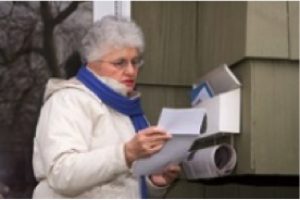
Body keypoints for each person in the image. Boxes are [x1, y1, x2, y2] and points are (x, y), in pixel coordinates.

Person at [32, 15, 181, 199]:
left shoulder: (128, 109)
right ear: (92, 63)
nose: (131, 71)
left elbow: (124, 187)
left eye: (135, 61)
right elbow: (62, 174)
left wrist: (154, 182)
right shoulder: (67, 101)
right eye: (120, 63)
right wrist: (125, 154)